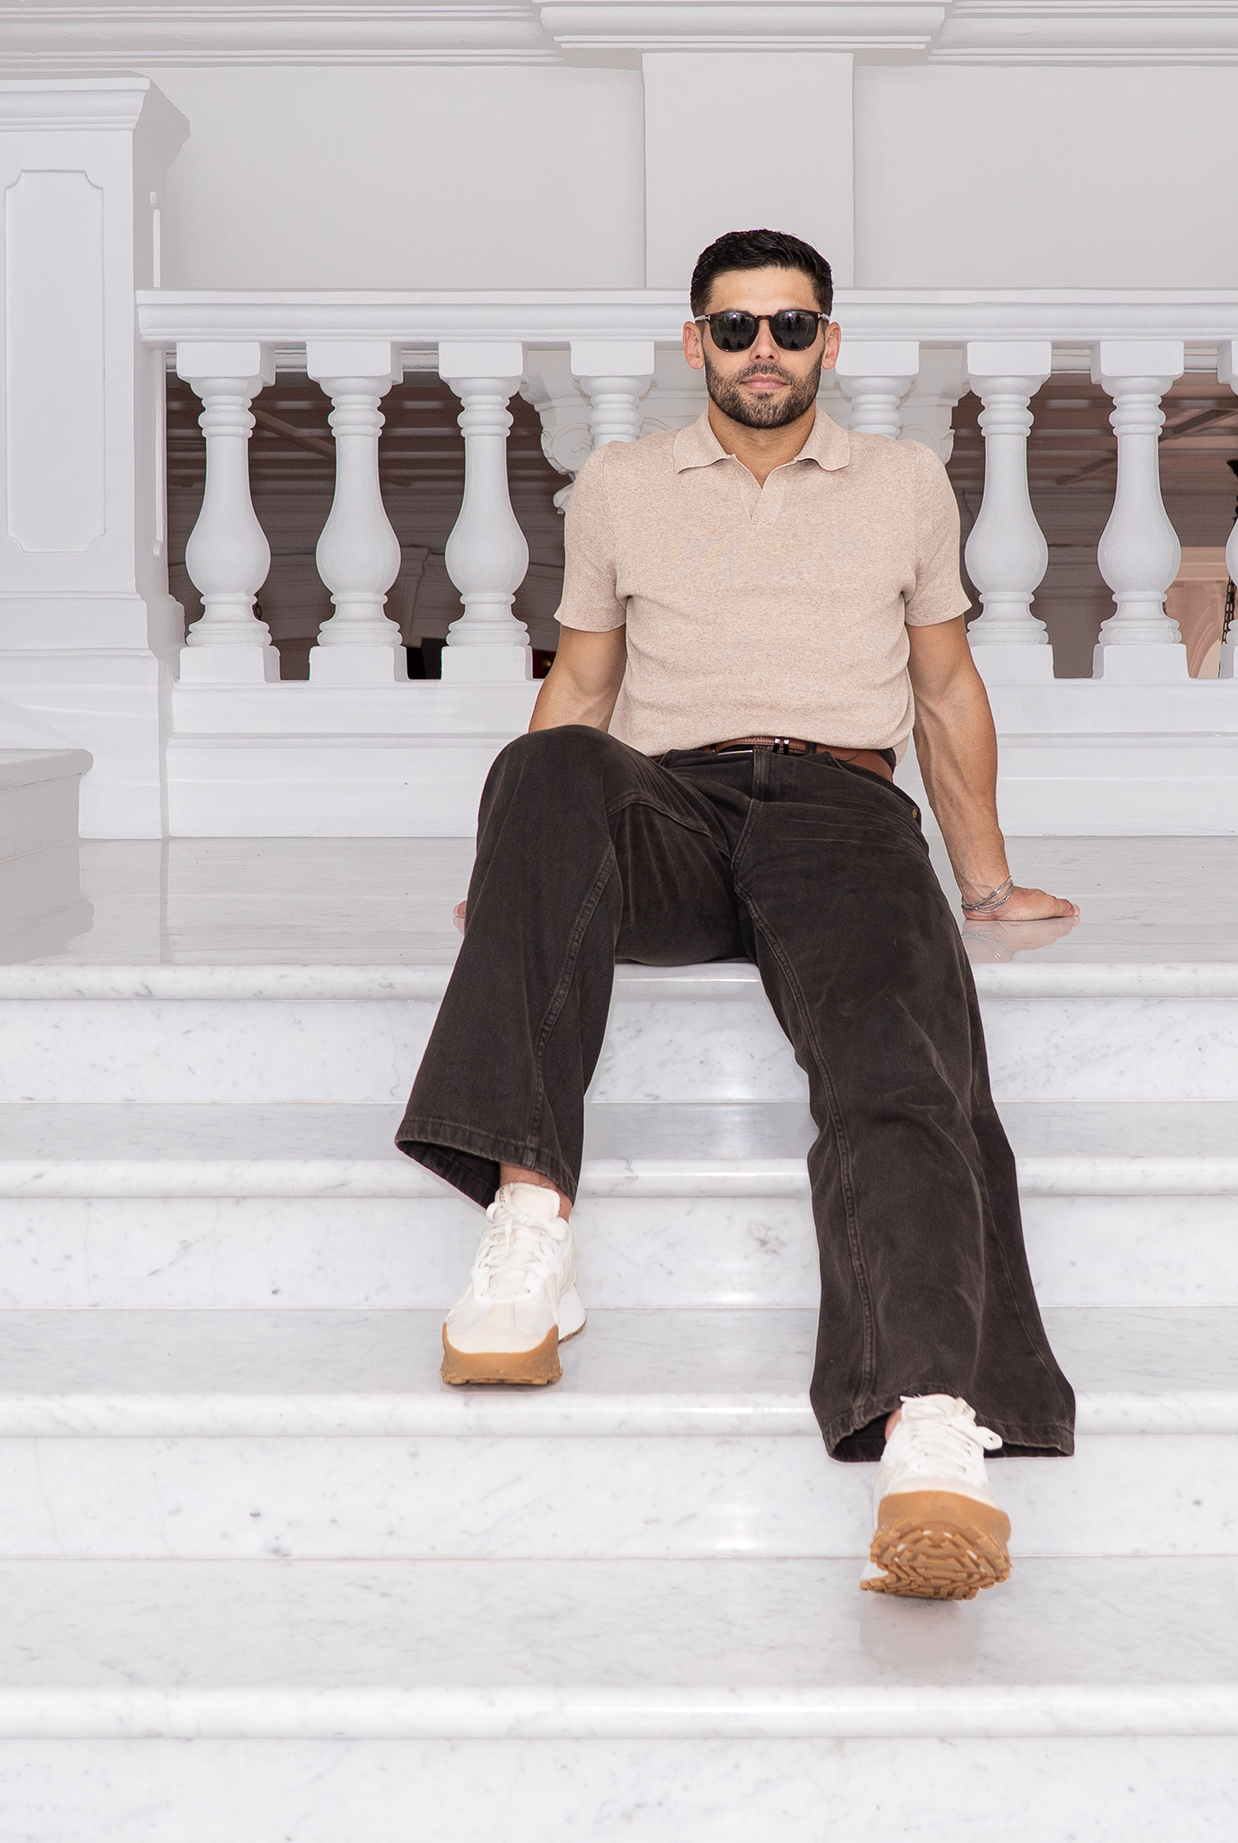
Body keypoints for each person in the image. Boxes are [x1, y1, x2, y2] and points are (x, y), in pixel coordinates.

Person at [393, 228, 1081, 1603]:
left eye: (790, 325)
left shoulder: (904, 483)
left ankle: (930, 1425)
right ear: (693, 341)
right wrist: (527, 854)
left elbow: (945, 688)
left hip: (845, 810)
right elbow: (582, 686)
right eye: (735, 326)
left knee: (898, 1065)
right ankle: (531, 1229)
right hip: (675, 809)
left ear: (830, 341)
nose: (763, 350)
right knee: (544, 767)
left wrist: (987, 879)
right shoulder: (619, 485)